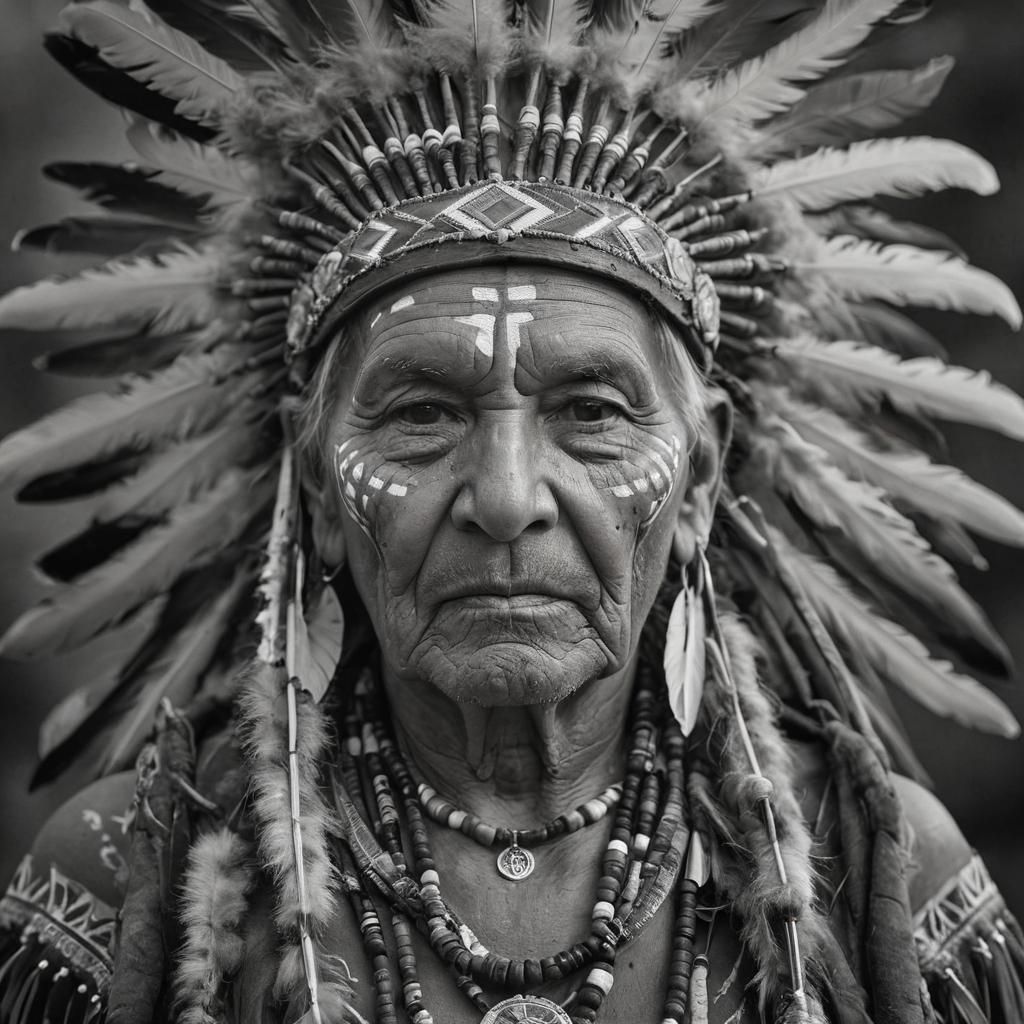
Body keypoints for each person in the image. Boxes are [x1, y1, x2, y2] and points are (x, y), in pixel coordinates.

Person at [0, 1, 1022, 1022]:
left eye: (589, 412)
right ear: (314, 487)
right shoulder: (137, 874)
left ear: (699, 480)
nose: (504, 498)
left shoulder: (875, 870)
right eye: (420, 414)